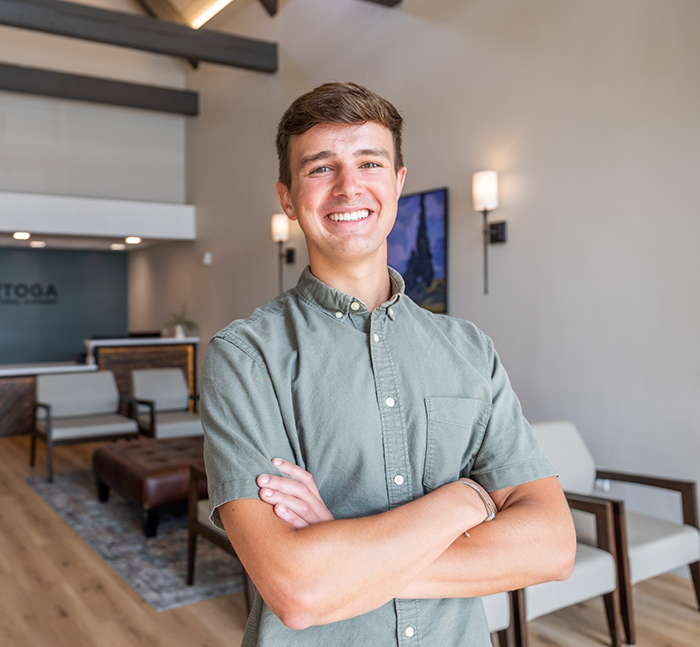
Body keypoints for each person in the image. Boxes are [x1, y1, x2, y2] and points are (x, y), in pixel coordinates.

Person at [201, 81, 576, 647]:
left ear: (398, 183)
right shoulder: (245, 357)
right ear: (287, 197)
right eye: (320, 168)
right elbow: (299, 592)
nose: (349, 186)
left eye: (369, 162)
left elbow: (551, 546)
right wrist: (469, 498)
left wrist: (344, 558)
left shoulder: (470, 349)